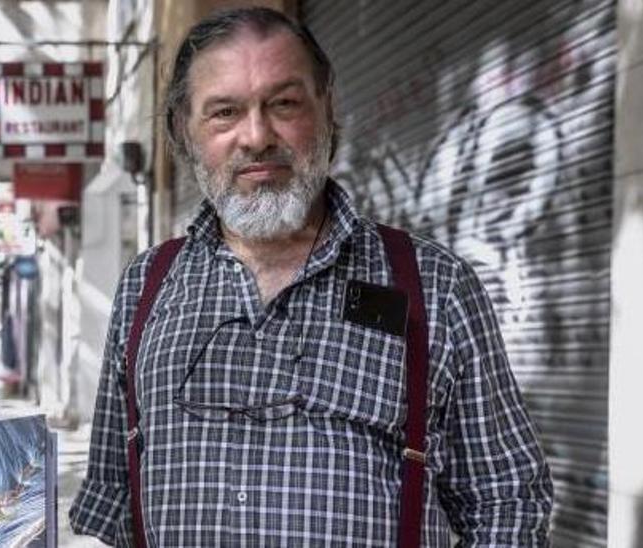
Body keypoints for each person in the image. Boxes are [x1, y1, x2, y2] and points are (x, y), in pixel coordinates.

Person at [69, 7, 552, 546]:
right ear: (185, 130)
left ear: (327, 108)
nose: (256, 136)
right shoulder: (145, 287)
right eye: (225, 112)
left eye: (283, 103)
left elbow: (507, 502)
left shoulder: (435, 287)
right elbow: (115, 501)